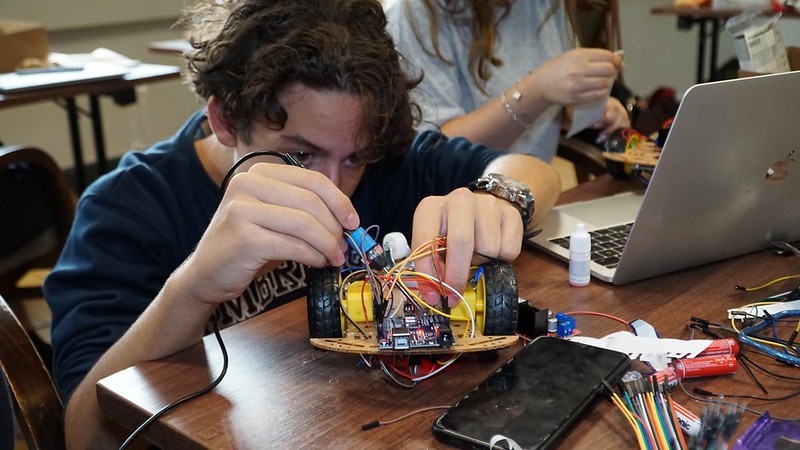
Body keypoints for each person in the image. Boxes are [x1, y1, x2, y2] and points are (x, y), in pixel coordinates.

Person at [43, 0, 561, 447]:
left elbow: (531, 171)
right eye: (300, 155)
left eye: (354, 158)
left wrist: (497, 199)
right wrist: (193, 287)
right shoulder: (128, 208)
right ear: (225, 120)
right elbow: (83, 434)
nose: (332, 187)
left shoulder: (382, 163)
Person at [383, 0, 631, 162]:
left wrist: (584, 108)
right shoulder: (412, 13)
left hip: (529, 195)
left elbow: (554, 101)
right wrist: (538, 90)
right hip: (454, 206)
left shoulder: (545, 5)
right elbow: (435, 153)